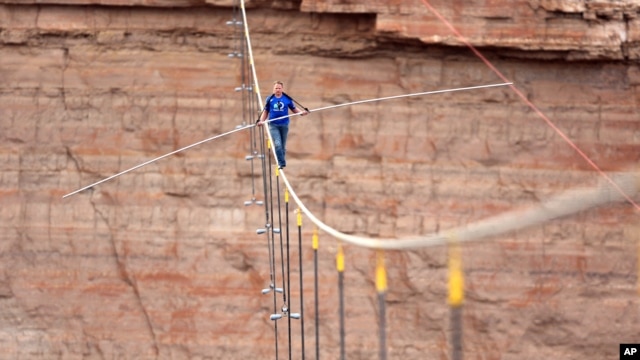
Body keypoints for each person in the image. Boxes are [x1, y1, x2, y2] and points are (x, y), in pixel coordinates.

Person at [257, 81, 308, 169]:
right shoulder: (270, 99)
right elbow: (266, 111)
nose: (277, 90)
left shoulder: (287, 99)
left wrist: (302, 113)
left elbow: (294, 109)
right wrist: (261, 121)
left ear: (282, 89)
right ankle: (281, 163)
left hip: (284, 125)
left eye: (279, 88)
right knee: (277, 144)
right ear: (273, 89)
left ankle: (281, 160)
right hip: (273, 125)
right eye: (276, 88)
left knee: (282, 146)